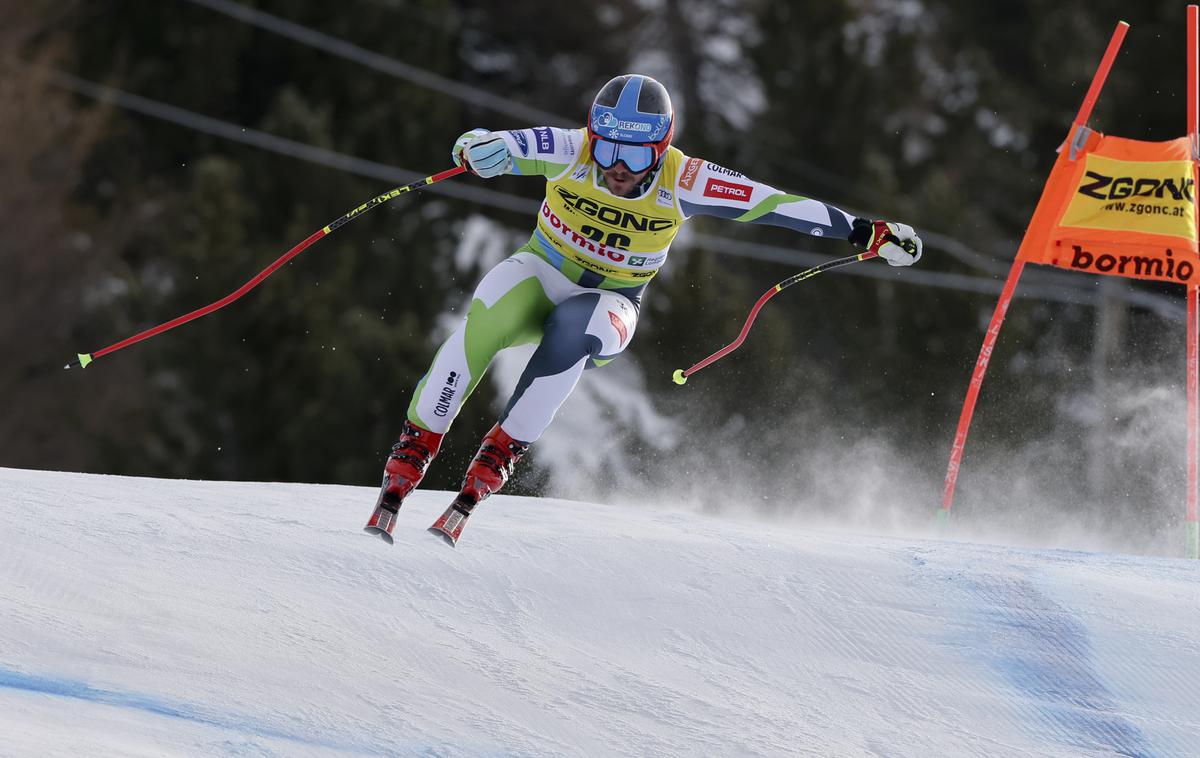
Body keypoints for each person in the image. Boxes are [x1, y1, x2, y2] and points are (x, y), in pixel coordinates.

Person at [365, 73, 922, 545]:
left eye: (634, 153)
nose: (616, 165)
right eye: (607, 147)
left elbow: (773, 203)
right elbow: (509, 145)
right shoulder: (575, 149)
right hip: (541, 272)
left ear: (659, 148)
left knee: (570, 333)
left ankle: (492, 463)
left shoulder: (685, 179)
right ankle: (410, 456)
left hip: (610, 302)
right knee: (484, 319)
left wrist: (861, 231)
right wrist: (478, 146)